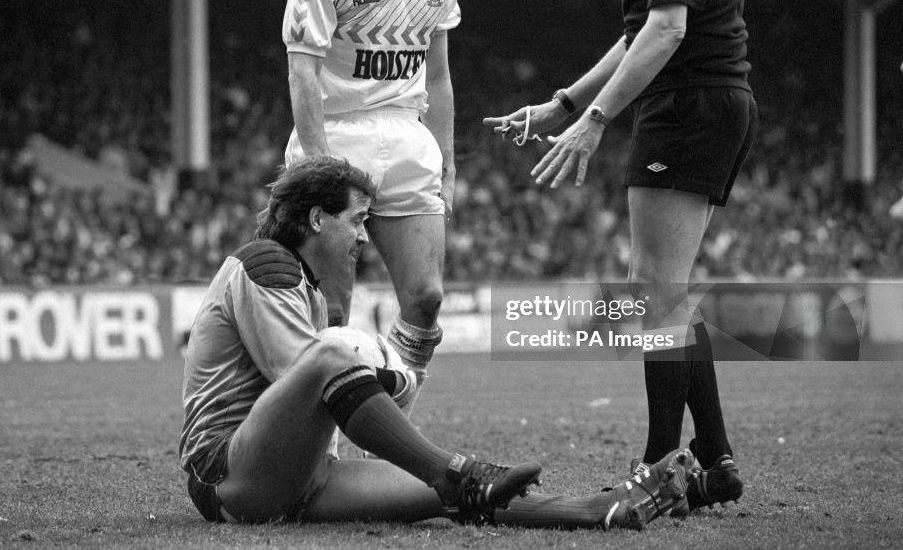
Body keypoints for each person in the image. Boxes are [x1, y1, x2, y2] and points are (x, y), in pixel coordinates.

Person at [178, 156, 693, 529]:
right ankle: (456, 474)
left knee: (453, 498)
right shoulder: (267, 264)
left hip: (299, 476)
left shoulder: (304, 286)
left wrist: (380, 373)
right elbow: (304, 372)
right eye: (357, 221)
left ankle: (600, 507)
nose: (363, 237)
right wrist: (383, 365)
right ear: (316, 219)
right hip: (227, 474)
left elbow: (325, 390)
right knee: (335, 351)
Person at [483, 0, 755, 511]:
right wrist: (567, 103)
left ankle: (661, 467)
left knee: (655, 289)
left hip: (688, 103)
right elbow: (642, 30)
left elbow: (668, 29)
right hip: (702, 101)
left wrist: (595, 121)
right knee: (667, 292)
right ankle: (714, 461)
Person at [281, 0, 457, 409]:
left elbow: (439, 77)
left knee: (426, 299)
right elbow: (303, 71)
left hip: (408, 137)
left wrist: (448, 167)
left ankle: (392, 424)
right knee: (332, 315)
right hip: (337, 136)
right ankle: (316, 448)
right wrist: (319, 168)